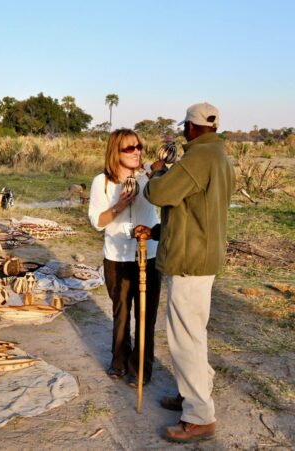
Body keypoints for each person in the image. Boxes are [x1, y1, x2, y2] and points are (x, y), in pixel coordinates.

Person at [142, 103, 234, 442]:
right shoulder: (221, 158)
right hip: (203, 256)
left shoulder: (199, 158)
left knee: (185, 341)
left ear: (192, 128)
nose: (184, 131)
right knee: (194, 333)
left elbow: (159, 194)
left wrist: (156, 171)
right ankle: (194, 391)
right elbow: (193, 208)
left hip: (191, 260)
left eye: (185, 127)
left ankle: (199, 416)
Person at [88, 129, 162, 388]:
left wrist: (157, 170)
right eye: (128, 148)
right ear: (114, 152)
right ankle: (119, 361)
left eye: (139, 146)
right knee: (121, 313)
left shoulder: (149, 177)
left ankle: (141, 368)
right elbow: (97, 222)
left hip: (148, 254)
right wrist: (119, 204)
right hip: (117, 257)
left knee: (146, 314)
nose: (136, 151)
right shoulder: (103, 182)